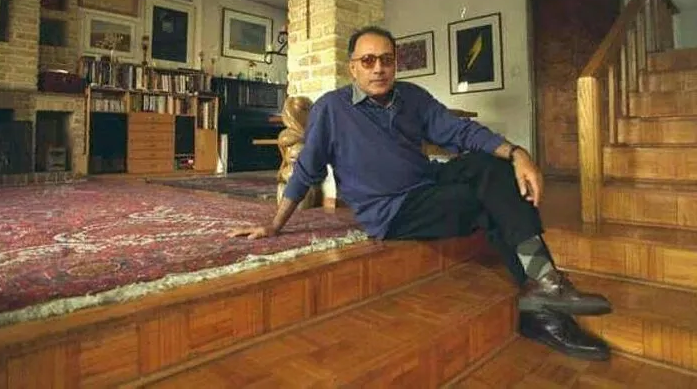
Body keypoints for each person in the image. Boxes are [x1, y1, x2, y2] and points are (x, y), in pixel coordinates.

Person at [228, 26, 612, 360]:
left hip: (428, 182)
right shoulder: (332, 109)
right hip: (392, 208)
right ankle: (543, 309)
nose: (378, 68)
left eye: (387, 60)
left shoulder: (412, 97)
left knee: (493, 167)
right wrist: (275, 225)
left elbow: (460, 132)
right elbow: (306, 170)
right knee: (489, 199)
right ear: (352, 68)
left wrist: (517, 153)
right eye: (368, 61)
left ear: (396, 64)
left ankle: (545, 286)